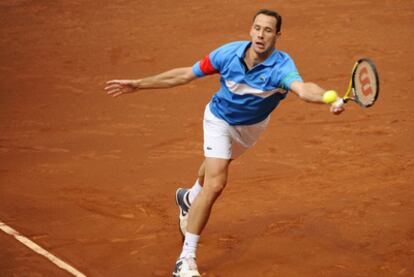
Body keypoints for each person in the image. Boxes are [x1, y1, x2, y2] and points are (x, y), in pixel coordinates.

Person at [105, 9, 344, 277]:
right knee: (216, 182)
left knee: (214, 166)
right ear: (250, 30)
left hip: (251, 128)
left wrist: (327, 98)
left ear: (278, 35)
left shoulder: (281, 67)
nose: (260, 35)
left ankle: (189, 198)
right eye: (257, 28)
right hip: (218, 120)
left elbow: (303, 89)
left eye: (267, 30)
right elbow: (185, 74)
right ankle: (186, 260)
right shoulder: (227, 54)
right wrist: (139, 84)